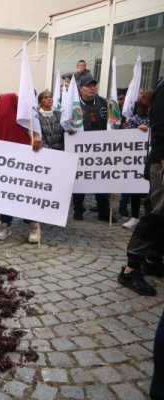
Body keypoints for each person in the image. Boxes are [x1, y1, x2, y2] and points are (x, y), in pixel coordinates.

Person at [0, 75, 42, 243]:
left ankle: (34, 224)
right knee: (5, 192)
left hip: (23, 150)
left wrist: (35, 134)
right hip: (2, 156)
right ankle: (5, 224)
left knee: (26, 190)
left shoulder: (10, 98)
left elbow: (30, 114)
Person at [117, 79, 164, 299]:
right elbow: (161, 126)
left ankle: (153, 260)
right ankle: (130, 269)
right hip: (162, 162)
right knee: (157, 214)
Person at [70, 74, 116, 223]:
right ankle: (78, 210)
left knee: (102, 180)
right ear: (80, 88)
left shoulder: (103, 102)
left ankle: (104, 210)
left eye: (94, 85)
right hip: (80, 149)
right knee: (79, 180)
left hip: (101, 149)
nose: (92, 88)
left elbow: (113, 122)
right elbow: (65, 124)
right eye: (88, 85)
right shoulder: (74, 105)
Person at [120, 91, 153, 230]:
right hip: (137, 160)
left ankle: (150, 218)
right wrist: (137, 131)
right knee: (136, 187)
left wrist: (150, 130)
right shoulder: (135, 119)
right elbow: (128, 138)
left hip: (153, 157)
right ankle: (134, 216)